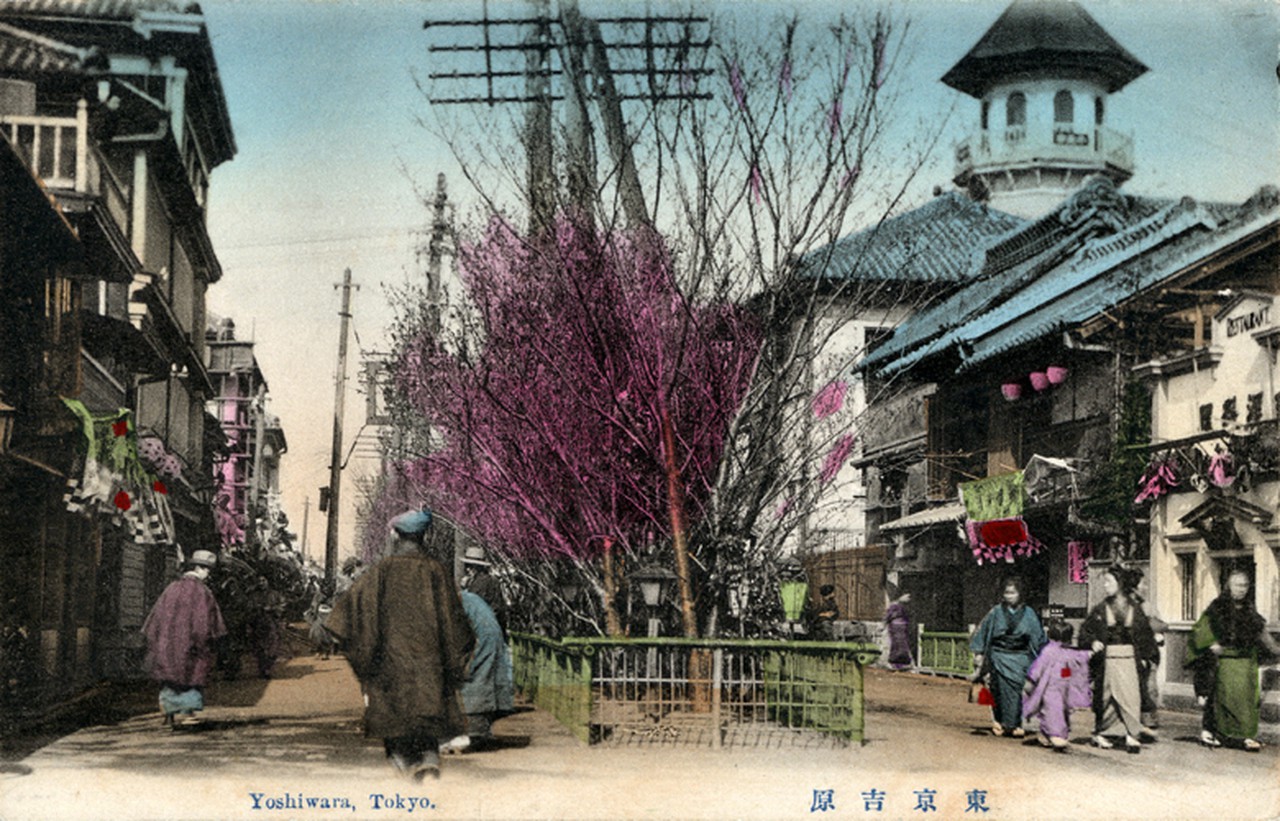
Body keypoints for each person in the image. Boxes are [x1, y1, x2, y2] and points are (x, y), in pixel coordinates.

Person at [325, 509, 475, 781]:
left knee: (395, 729)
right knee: (427, 726)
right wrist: (451, 665)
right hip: (430, 671)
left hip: (390, 670)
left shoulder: (381, 572)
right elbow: (457, 628)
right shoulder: (437, 572)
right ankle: (429, 763)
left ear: (396, 535)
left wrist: (363, 653)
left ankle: (405, 771)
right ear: (422, 536)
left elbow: (347, 618)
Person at [1185, 568, 1280, 751]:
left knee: (1247, 701)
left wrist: (1275, 649)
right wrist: (1211, 644)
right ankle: (1225, 733)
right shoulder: (1217, 606)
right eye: (1237, 585)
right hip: (1226, 661)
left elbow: (1261, 631)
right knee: (1226, 699)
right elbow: (1201, 628)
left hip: (1247, 662)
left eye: (1244, 585)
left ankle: (1245, 735)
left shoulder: (1249, 608)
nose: (1241, 589)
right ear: (1229, 586)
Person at [141, 548, 227, 729]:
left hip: (167, 643)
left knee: (169, 676)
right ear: (199, 568)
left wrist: (156, 640)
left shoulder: (171, 588)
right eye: (207, 569)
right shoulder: (202, 592)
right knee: (191, 676)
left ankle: (168, 712)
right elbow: (204, 622)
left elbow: (155, 617)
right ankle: (188, 713)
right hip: (191, 643)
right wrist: (206, 640)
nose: (208, 574)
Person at [1079, 565, 1159, 753]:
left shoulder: (1135, 608)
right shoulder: (1100, 609)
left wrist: (1147, 657)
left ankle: (1132, 735)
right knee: (1106, 698)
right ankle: (1101, 732)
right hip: (1107, 660)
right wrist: (1092, 642)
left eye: (1109, 582)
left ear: (1120, 584)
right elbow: (1086, 631)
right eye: (1105, 582)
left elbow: (1145, 635)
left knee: (1131, 697)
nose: (1105, 585)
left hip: (1129, 660)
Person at [969, 577, 1046, 738]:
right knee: (998, 690)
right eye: (1007, 593)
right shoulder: (996, 612)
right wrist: (979, 653)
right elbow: (983, 631)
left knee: (1016, 692)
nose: (1009, 596)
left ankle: (1015, 723)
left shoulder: (1029, 613)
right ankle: (999, 721)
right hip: (999, 656)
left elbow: (1037, 637)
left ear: (1020, 594)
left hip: (1020, 657)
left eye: (1013, 593)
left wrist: (1042, 654)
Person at [441, 590, 515, 754]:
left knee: (473, 683)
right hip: (491, 641)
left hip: (480, 642)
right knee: (486, 682)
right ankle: (481, 733)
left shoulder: (453, 601)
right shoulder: (469, 598)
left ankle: (471, 736)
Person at [1021, 618, 1091, 751]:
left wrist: (1032, 678)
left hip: (1059, 685)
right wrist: (1089, 654)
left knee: (1059, 710)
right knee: (1054, 710)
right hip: (1053, 686)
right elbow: (1079, 658)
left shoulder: (1051, 650)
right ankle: (1056, 735)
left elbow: (1038, 667)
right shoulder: (1059, 651)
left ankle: (1055, 734)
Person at [462, 547, 508, 639]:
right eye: (466, 565)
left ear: (477, 567)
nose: (467, 569)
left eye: (470, 566)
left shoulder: (481, 583)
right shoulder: (491, 580)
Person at [884, 592, 913, 669]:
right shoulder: (894, 606)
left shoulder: (904, 607)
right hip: (895, 627)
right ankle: (893, 662)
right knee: (896, 644)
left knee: (903, 645)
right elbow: (888, 616)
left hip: (903, 627)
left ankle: (903, 663)